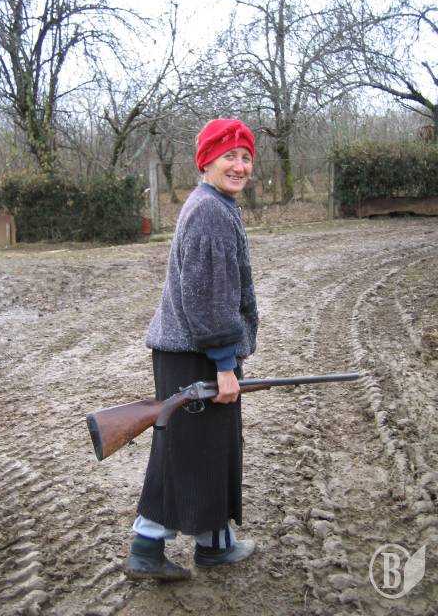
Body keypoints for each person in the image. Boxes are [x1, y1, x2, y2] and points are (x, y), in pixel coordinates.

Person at [124, 118, 259, 581]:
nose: (239, 166)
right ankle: (146, 549)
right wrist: (224, 363)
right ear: (206, 162)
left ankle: (215, 544)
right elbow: (208, 299)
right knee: (184, 451)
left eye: (246, 157)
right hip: (196, 355)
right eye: (229, 156)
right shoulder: (209, 212)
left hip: (197, 351)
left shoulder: (216, 204)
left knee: (208, 448)